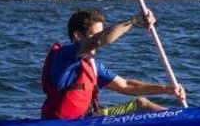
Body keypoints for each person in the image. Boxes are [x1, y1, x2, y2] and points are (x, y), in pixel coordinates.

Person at [41, 8, 184, 119]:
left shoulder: (93, 66)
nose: (98, 39)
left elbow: (126, 85)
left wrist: (167, 89)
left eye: (100, 33)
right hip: (59, 124)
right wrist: (136, 20)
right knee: (141, 104)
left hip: (85, 120)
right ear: (78, 35)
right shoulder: (65, 55)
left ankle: (182, 121)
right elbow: (100, 40)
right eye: (94, 33)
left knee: (141, 104)